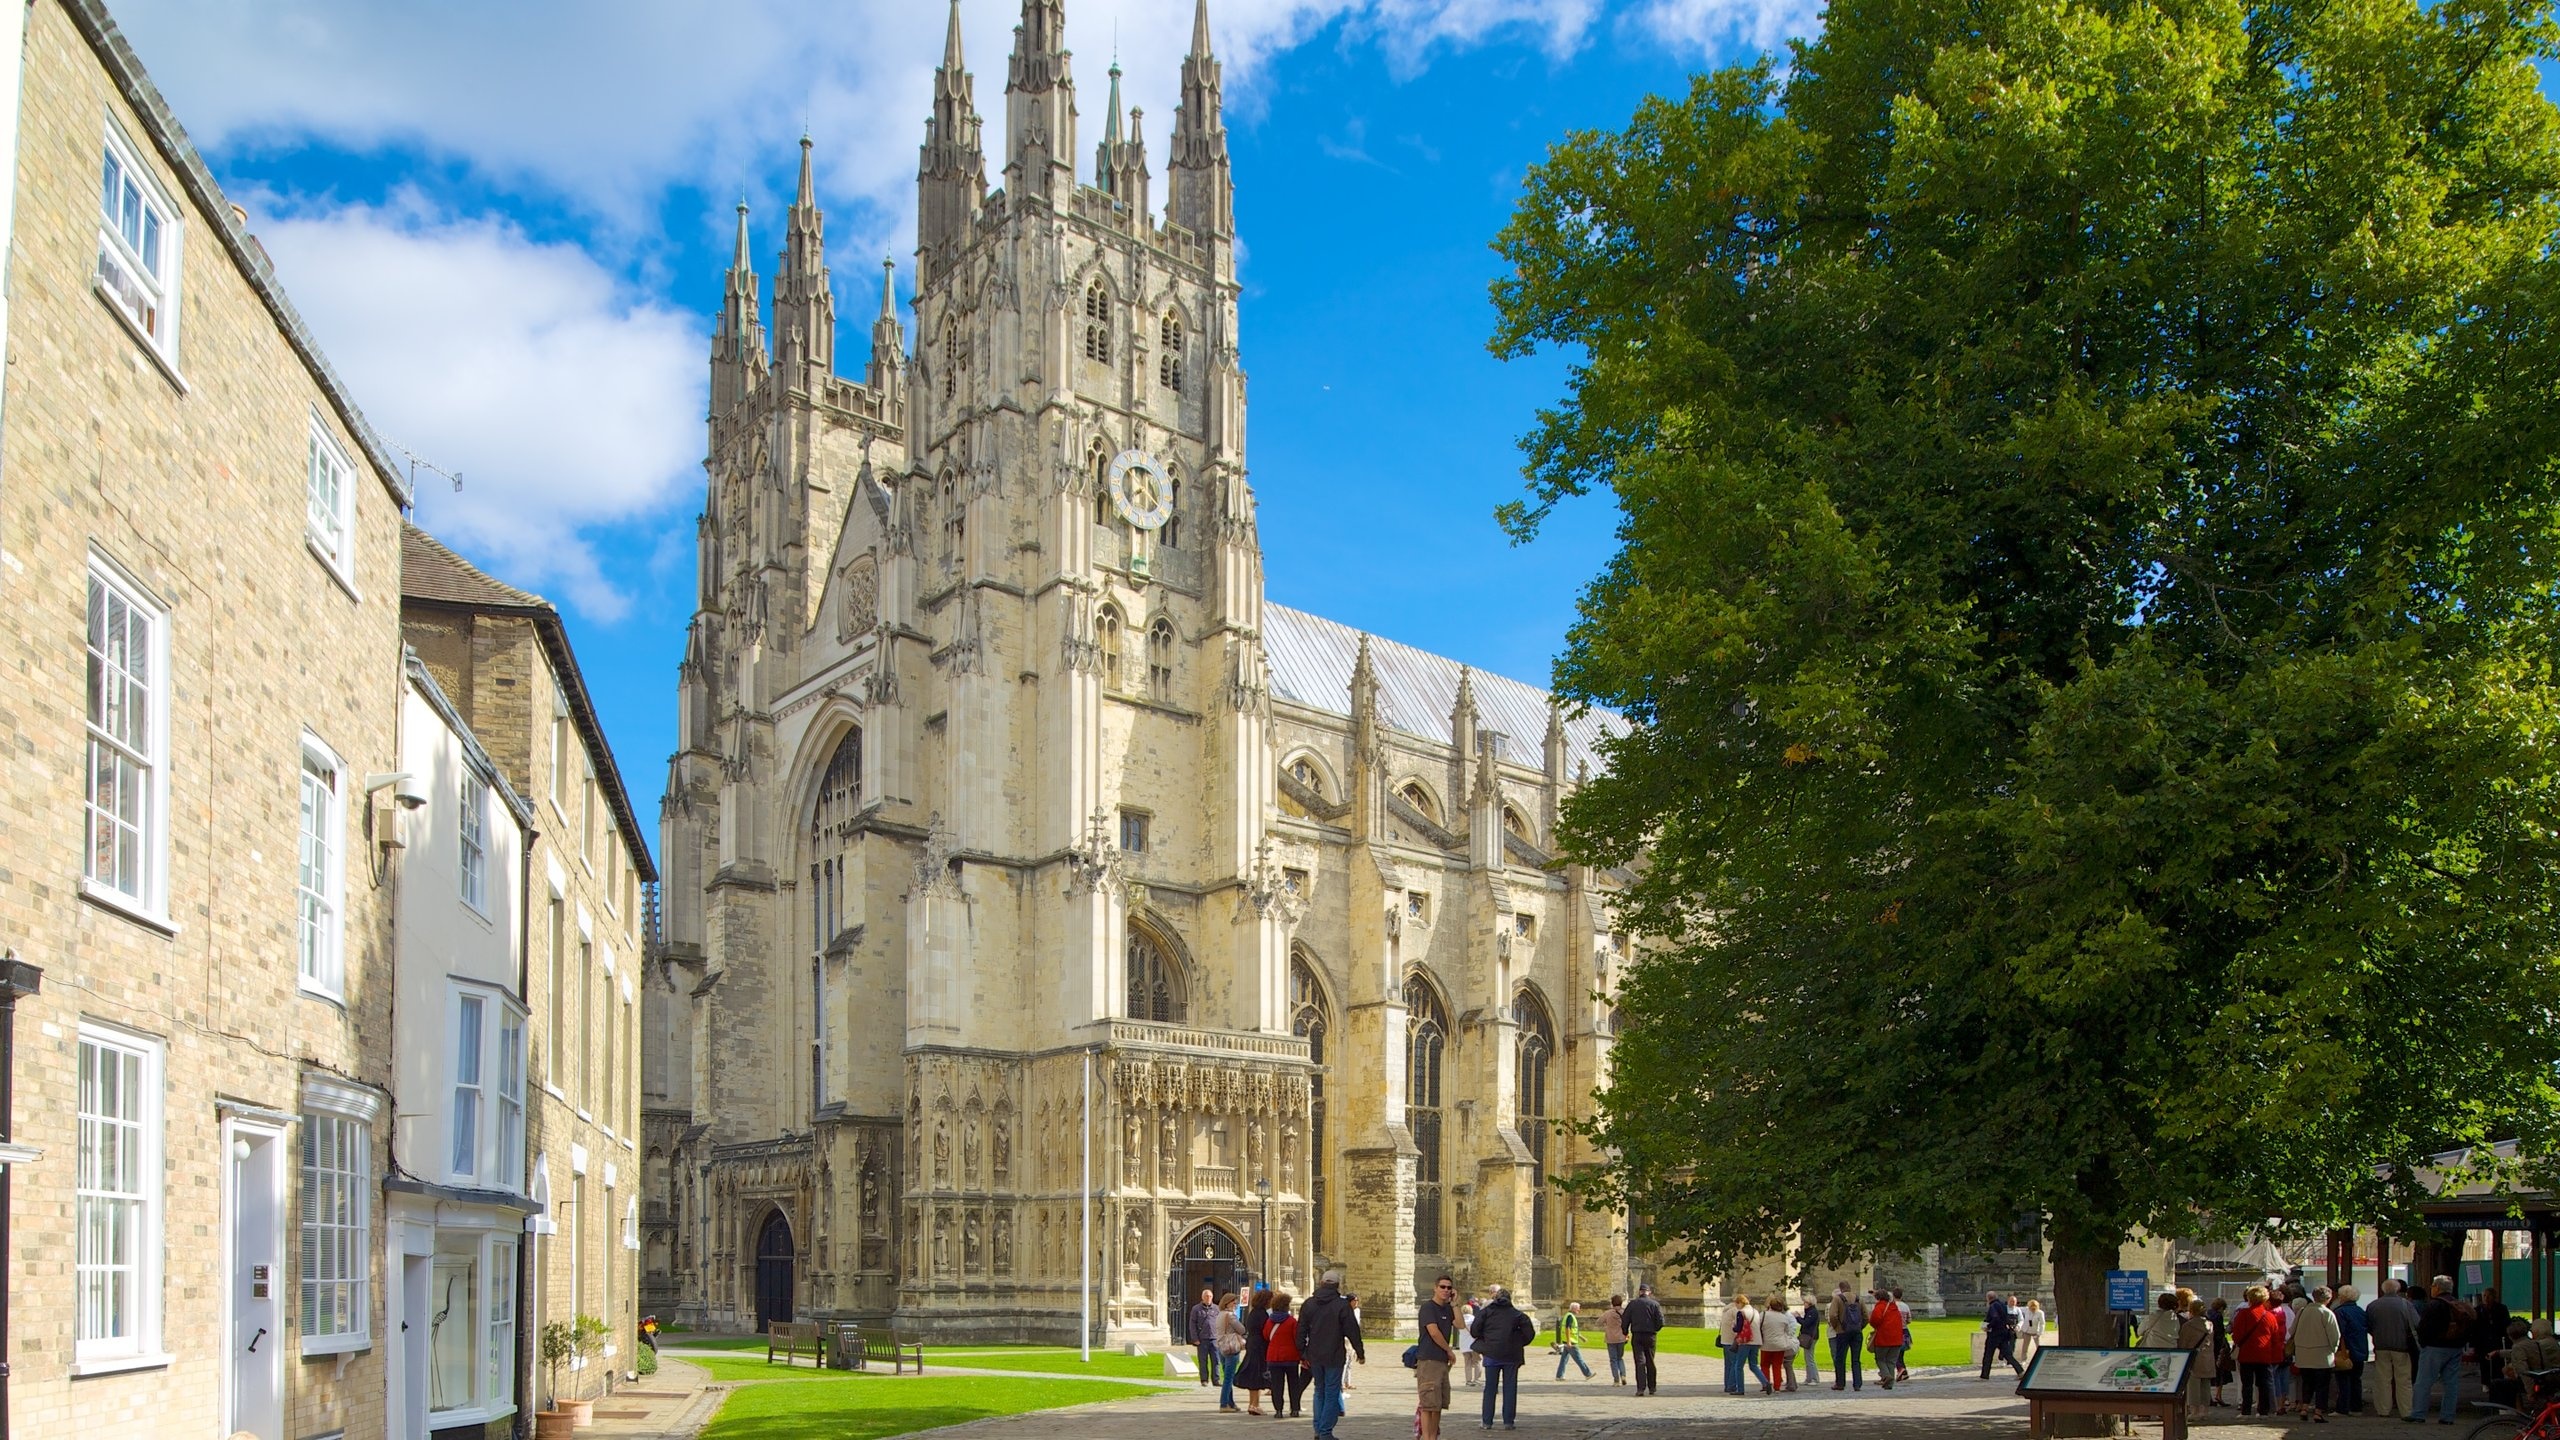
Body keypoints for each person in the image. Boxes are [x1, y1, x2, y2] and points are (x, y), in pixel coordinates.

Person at [1298, 1271, 1365, 1440]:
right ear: (1337, 1285)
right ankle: (1325, 1431)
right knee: (1331, 1391)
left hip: (1314, 1354)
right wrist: (1360, 1351)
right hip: (1334, 1354)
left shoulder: (1309, 1304)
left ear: (1321, 1283)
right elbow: (1352, 1331)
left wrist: (1302, 1353)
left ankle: (1318, 1429)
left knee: (1319, 1390)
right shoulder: (1342, 1306)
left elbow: (1301, 1330)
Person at [1470, 1285, 1534, 1430]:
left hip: (1492, 1353)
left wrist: (1486, 1338)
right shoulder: (1517, 1315)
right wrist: (1518, 1342)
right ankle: (1508, 1421)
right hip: (1511, 1355)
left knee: (1490, 1388)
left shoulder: (1486, 1312)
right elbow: (1529, 1334)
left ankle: (1487, 1421)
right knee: (1510, 1388)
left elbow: (1474, 1331)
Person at [2411, 1275, 2467, 1424]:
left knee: (2423, 1382)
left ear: (2437, 1287)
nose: (2431, 1289)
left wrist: (2423, 1343)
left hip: (2434, 1347)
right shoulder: (2458, 1304)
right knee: (2451, 1384)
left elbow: (2423, 1327)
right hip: (2455, 1347)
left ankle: (2418, 1414)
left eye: (2432, 1286)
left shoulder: (2433, 1305)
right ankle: (2447, 1416)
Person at [2363, 1277, 2419, 1419]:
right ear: (2398, 1289)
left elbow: (2368, 1325)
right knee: (2404, 1380)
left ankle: (2383, 1409)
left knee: (2382, 1379)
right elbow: (2417, 1324)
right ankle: (2406, 1410)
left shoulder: (2373, 1305)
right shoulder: (2406, 1305)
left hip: (2381, 1346)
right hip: (2402, 1347)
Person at [2231, 1285, 2286, 1417]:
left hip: (2246, 1354)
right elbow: (2275, 1337)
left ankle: (2246, 1410)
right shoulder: (2269, 1316)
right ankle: (2263, 1410)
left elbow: (2236, 1335)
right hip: (2264, 1354)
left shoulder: (2243, 1314)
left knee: (2247, 1384)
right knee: (2264, 1384)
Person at [2290, 1284, 2340, 1421]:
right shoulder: (2327, 1313)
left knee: (2307, 1382)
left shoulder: (2302, 1311)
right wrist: (2333, 1350)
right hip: (2322, 1353)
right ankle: (2318, 1411)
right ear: (2328, 1299)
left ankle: (2304, 1408)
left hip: (2303, 1353)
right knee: (2322, 1385)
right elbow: (2334, 1336)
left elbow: (2291, 1330)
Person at [1417, 1276, 1458, 1440]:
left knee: (1438, 1404)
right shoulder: (1428, 1308)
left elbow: (1461, 1324)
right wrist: (1449, 1350)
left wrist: (1455, 1304)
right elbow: (1433, 1332)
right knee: (1428, 1404)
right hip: (1429, 1359)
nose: (1446, 1290)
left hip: (1441, 1362)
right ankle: (1427, 1437)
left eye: (1449, 1288)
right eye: (1442, 1287)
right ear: (1435, 1288)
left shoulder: (1448, 1308)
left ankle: (1433, 1437)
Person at [1265, 1291, 1309, 1419]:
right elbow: (1297, 1338)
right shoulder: (1291, 1322)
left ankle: (1278, 1410)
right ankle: (1294, 1409)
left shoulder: (1269, 1321)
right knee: (1293, 1384)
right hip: (1290, 1356)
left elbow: (1266, 1335)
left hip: (1274, 1357)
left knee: (1277, 1385)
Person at [2332, 1284, 2368, 1418]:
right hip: (2360, 1348)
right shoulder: (2361, 1311)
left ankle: (2342, 1408)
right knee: (2356, 1379)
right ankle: (2356, 1407)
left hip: (2345, 1350)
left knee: (2343, 1380)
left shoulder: (2340, 1312)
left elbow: (2339, 1332)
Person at [1238, 1289, 1275, 1416]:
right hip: (1259, 1346)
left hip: (1253, 1344)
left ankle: (1252, 1403)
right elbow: (1266, 1331)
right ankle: (1255, 1404)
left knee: (1254, 1374)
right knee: (1257, 1375)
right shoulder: (1262, 1314)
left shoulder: (1253, 1313)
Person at [1626, 1283, 1666, 1397]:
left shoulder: (1633, 1304)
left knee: (1640, 1362)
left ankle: (1641, 1388)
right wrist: (1654, 1329)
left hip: (1637, 1334)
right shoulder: (1654, 1304)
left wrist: (1625, 1332)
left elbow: (1625, 1319)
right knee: (1650, 1361)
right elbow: (1661, 1322)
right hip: (1650, 1335)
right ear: (1649, 1292)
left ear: (1640, 1292)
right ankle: (1652, 1387)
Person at [2177, 1297, 2213, 1423]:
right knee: (2205, 1385)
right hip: (2207, 1358)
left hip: (2194, 1357)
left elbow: (2183, 1343)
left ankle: (2194, 1411)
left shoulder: (2188, 1325)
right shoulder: (2209, 1325)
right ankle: (2205, 1410)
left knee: (2193, 1385)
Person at [2477, 1286, 2516, 1396]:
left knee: (2497, 1362)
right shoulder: (2478, 1309)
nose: (2486, 1298)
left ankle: (2497, 1381)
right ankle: (2485, 1383)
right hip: (2483, 1340)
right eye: (2484, 1296)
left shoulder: (2501, 1308)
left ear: (2494, 1297)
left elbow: (2506, 1323)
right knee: (2484, 1363)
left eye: (2489, 1296)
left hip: (2497, 1339)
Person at [1757, 1295, 1799, 1393]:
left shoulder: (1763, 1315)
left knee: (1765, 1365)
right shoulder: (1783, 1317)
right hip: (1779, 1345)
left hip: (1766, 1344)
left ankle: (1766, 1384)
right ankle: (1777, 1387)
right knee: (1777, 1366)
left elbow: (1758, 1327)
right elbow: (1788, 1331)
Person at [1215, 1292, 1249, 1412]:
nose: (1235, 1303)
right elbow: (1242, 1329)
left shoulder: (1220, 1315)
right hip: (1231, 1347)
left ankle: (1231, 1403)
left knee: (1227, 1376)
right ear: (1227, 1303)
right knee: (1229, 1378)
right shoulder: (1230, 1316)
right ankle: (1224, 1404)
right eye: (1233, 1301)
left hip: (1221, 1347)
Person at [1869, 1287, 1908, 1390]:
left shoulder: (1879, 1307)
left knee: (1880, 1359)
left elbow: (1874, 1321)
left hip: (1884, 1338)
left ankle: (1887, 1376)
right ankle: (1889, 1384)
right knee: (1891, 1361)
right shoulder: (1894, 1308)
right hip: (1897, 1339)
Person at [1721, 1293, 1759, 1396]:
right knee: (1735, 1363)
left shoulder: (1727, 1309)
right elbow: (1739, 1326)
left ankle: (1728, 1385)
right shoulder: (1736, 1310)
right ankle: (1732, 1385)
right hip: (1732, 1340)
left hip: (1725, 1339)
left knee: (1728, 1364)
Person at [1829, 1284, 1865, 1391]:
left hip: (1842, 1332)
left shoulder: (1837, 1299)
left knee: (1840, 1358)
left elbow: (1832, 1315)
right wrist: (1860, 1327)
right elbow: (1866, 1316)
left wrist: (1837, 1327)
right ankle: (1857, 1384)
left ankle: (1840, 1383)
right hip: (1857, 1332)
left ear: (1841, 1289)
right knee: (1856, 1359)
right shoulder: (1859, 1299)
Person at [1980, 1290, 2023, 1380]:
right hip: (2003, 1333)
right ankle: (2020, 1371)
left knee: (1988, 1354)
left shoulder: (1993, 1306)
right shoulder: (2003, 1305)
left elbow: (1995, 1318)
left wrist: (1988, 1326)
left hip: (1994, 1334)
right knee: (2008, 1354)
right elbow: (2006, 1318)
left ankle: (1985, 1375)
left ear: (1988, 1298)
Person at [1554, 1301, 1594, 1380]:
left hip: (1567, 1340)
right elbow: (1567, 1329)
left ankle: (1559, 1375)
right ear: (1574, 1309)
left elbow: (1573, 1330)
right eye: (1578, 1309)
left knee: (1564, 1360)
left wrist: (1581, 1337)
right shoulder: (1570, 1317)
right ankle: (1587, 1374)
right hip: (1571, 1342)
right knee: (1579, 1359)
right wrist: (1569, 1341)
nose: (1579, 1311)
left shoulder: (1568, 1316)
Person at [1191, 1287, 1222, 1387]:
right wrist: (1195, 1338)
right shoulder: (1196, 1309)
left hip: (1214, 1338)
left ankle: (1216, 1380)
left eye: (1210, 1296)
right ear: (1202, 1297)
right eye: (1206, 1296)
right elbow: (1192, 1324)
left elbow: (1220, 1323)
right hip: (1202, 1339)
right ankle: (1204, 1380)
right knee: (1203, 1361)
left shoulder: (1216, 1308)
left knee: (1216, 1360)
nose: (1208, 1298)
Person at [2207, 1296, 2234, 1407]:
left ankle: (2208, 1396)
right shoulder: (2218, 1316)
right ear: (2222, 1307)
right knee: (2220, 1372)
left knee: (2209, 1372)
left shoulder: (2208, 1314)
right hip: (2219, 1347)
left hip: (2209, 1347)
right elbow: (2220, 1333)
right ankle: (2218, 1395)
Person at [1601, 1295, 1630, 1386]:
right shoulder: (1625, 1312)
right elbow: (1629, 1323)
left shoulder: (1608, 1313)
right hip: (1621, 1338)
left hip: (1610, 1339)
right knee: (1620, 1358)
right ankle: (1623, 1375)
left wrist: (1606, 1325)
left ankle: (1616, 1380)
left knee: (1613, 1360)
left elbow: (1598, 1322)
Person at [1797, 1293, 1824, 1388]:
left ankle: (1815, 1378)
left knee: (1810, 1358)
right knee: (1807, 1358)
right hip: (1809, 1336)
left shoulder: (1813, 1312)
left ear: (1809, 1303)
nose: (1804, 1304)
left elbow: (1806, 1323)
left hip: (1811, 1337)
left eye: (1805, 1302)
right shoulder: (1810, 1311)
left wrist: (1798, 1317)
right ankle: (1809, 1378)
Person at [1890, 1287, 1913, 1382]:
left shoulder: (1892, 1305)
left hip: (1895, 1331)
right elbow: (1909, 1320)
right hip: (1905, 1331)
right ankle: (1903, 1373)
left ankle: (1900, 1369)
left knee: (1893, 1354)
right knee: (1901, 1353)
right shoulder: (1905, 1306)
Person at [1458, 1297, 1481, 1388]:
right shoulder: (1474, 1320)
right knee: (1477, 1362)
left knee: (1467, 1363)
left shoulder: (1460, 1321)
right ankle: (1477, 1379)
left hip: (1464, 1344)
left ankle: (1468, 1380)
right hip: (1474, 1343)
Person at [2019, 1298, 2046, 1366]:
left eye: (2034, 1308)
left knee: (2038, 1346)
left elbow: (2042, 1323)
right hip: (2027, 1331)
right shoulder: (2026, 1310)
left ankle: (2040, 1359)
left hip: (2035, 1331)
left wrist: (2040, 1333)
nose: (2032, 1309)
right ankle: (2023, 1360)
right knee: (2025, 1347)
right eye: (2031, 1308)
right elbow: (2018, 1309)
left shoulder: (2040, 1313)